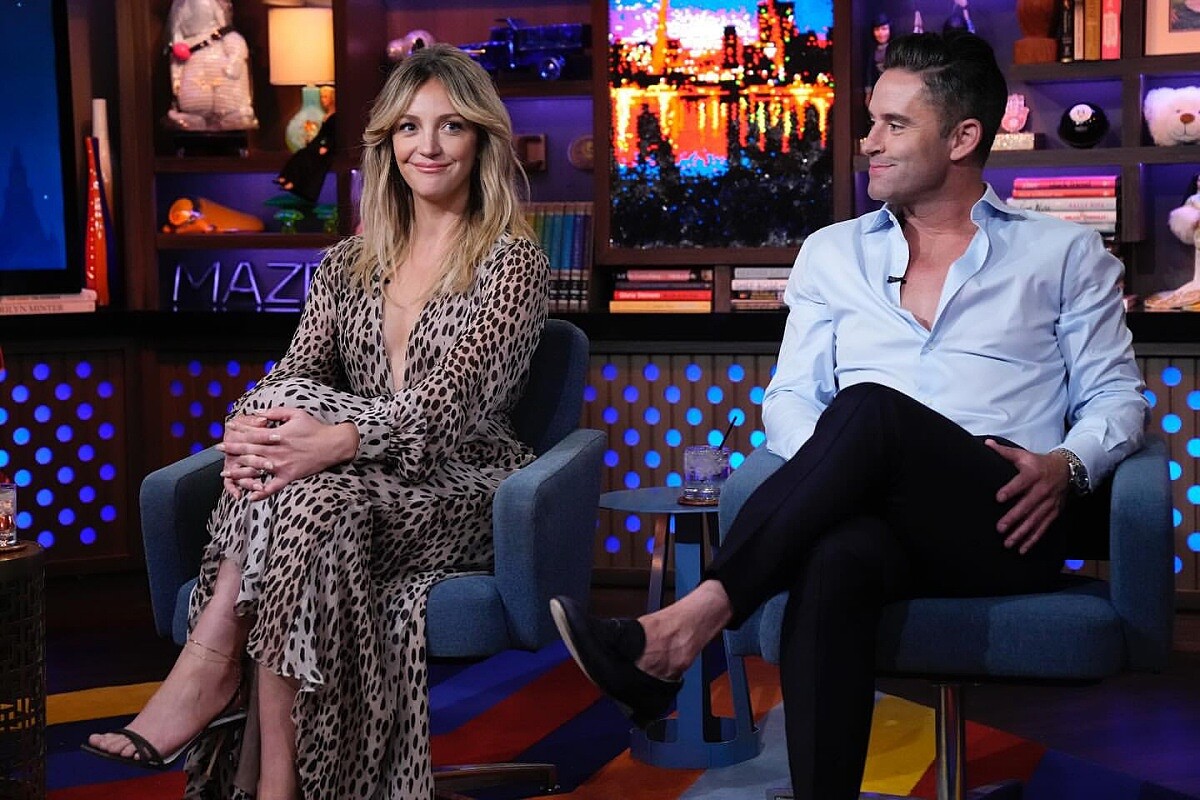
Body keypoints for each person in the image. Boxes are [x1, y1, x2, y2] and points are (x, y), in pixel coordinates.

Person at [551, 29, 1146, 800]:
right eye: (871, 123)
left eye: (894, 125)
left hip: (1002, 517)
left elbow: (1117, 396)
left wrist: (1067, 465)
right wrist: (841, 470)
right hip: (871, 519)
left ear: (963, 137)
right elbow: (791, 397)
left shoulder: (1063, 254)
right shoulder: (832, 253)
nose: (869, 143)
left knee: (869, 409)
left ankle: (684, 625)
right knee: (835, 556)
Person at [84, 43, 549, 799]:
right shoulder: (346, 264)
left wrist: (334, 438)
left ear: (481, 140)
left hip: (463, 486)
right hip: (350, 489)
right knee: (307, 492)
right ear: (387, 143)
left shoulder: (511, 262)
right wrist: (252, 426)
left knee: (305, 478)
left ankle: (210, 669)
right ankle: (281, 783)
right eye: (409, 127)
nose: (428, 146)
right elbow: (294, 374)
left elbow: (449, 405)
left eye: (451, 126)